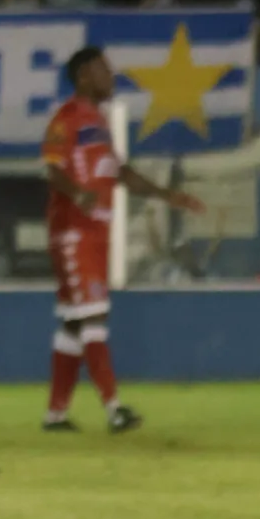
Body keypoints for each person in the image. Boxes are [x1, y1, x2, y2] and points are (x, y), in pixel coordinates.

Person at [39, 47, 206, 432]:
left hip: (94, 231)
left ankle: (55, 414)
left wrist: (168, 195)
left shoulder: (97, 122)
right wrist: (77, 192)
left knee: (73, 323)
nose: (111, 77)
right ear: (83, 76)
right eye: (103, 71)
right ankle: (114, 408)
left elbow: (120, 172)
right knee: (94, 315)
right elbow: (50, 166)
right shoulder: (66, 118)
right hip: (73, 231)